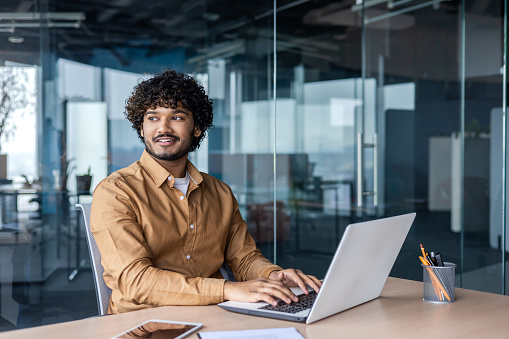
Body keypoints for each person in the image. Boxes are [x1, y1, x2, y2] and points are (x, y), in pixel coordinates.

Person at [90, 69, 321, 314]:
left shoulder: (220, 192)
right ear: (141, 128)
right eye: (153, 118)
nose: (163, 128)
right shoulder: (116, 191)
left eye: (176, 117)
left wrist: (272, 275)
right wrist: (226, 290)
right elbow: (136, 281)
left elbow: (244, 258)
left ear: (197, 128)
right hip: (146, 321)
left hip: (213, 313)